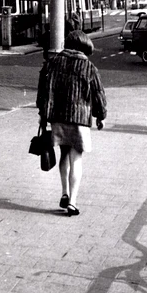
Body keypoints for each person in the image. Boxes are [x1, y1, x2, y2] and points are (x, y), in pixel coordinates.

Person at [36, 30, 107, 217]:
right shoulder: (89, 67)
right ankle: (73, 203)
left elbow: (42, 91)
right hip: (79, 119)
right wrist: (101, 116)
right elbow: (98, 95)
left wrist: (43, 114)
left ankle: (64, 192)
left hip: (58, 117)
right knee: (77, 159)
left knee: (64, 155)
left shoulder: (53, 63)